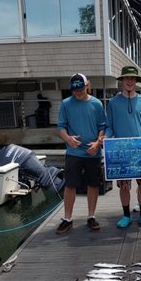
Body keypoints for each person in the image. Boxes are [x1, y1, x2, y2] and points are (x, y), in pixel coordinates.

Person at [104, 66, 141, 229]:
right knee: (124, 186)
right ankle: (126, 215)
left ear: (136, 81)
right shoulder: (113, 103)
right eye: (126, 78)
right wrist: (105, 137)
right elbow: (109, 127)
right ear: (122, 81)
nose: (129, 81)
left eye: (132, 78)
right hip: (122, 152)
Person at [56, 73, 106, 234]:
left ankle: (91, 216)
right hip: (73, 152)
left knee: (93, 184)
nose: (77, 92)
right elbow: (61, 127)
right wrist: (68, 139)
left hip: (93, 153)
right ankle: (67, 218)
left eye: (80, 89)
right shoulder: (65, 104)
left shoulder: (97, 104)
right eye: (74, 90)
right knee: (70, 185)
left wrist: (98, 143)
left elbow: (103, 127)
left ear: (87, 85)